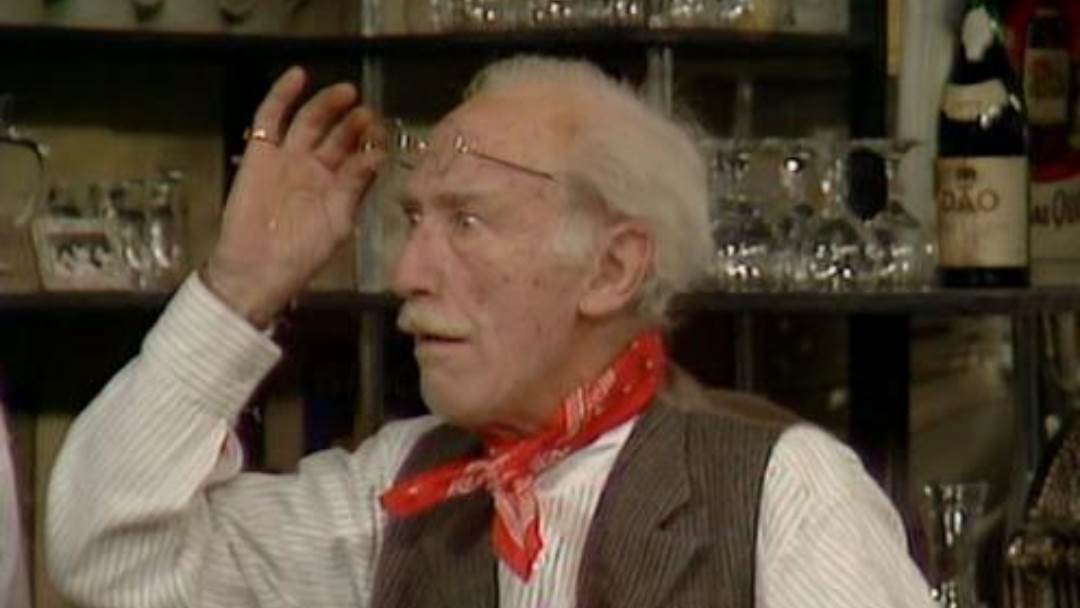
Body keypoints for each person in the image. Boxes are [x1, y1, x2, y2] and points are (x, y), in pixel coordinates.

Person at [46, 56, 935, 607]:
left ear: (612, 268)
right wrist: (241, 287)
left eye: (467, 222)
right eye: (414, 221)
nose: (408, 272)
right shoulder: (398, 489)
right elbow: (113, 556)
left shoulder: (784, 491)